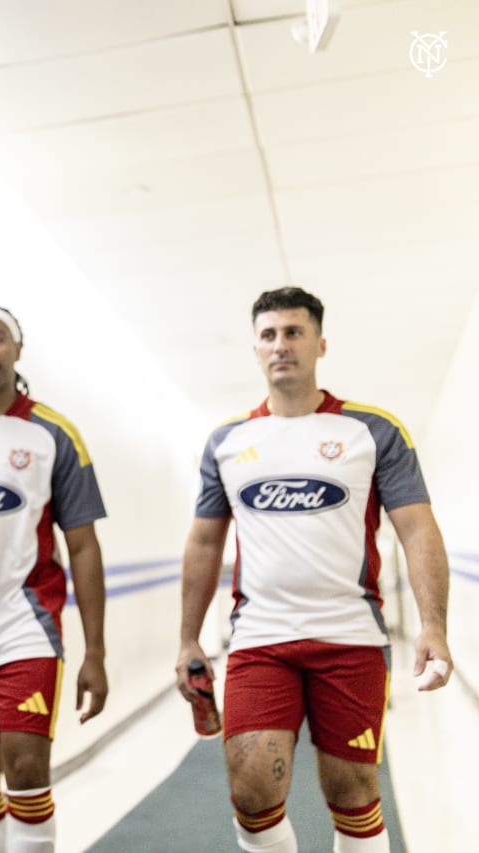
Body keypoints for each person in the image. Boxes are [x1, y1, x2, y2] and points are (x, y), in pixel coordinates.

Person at [176, 286, 452, 853]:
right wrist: (187, 638)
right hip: (260, 638)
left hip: (350, 637)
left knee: (353, 793)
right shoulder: (228, 442)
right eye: (269, 335)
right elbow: (205, 542)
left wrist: (433, 626)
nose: (282, 345)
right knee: (252, 789)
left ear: (320, 344)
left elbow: (417, 528)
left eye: (294, 332)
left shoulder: (372, 432)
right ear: (255, 349)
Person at [0, 307, 109, 853]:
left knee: (24, 769)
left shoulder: (53, 434)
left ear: (16, 350)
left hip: (28, 630)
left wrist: (96, 652)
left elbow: (84, 547)